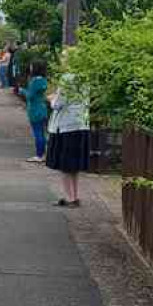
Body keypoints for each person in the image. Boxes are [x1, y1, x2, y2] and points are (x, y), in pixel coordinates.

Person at [46, 63, 90, 207]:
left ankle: (69, 198)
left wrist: (51, 98)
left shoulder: (67, 78)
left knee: (64, 164)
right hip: (81, 123)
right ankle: (75, 196)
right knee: (74, 166)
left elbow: (59, 103)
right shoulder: (85, 77)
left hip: (65, 125)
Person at [19, 61, 49, 162]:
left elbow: (29, 96)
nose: (30, 68)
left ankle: (39, 155)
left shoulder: (34, 81)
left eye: (32, 66)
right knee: (42, 132)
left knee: (37, 133)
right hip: (43, 108)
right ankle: (44, 154)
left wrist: (22, 90)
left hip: (34, 109)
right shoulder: (44, 80)